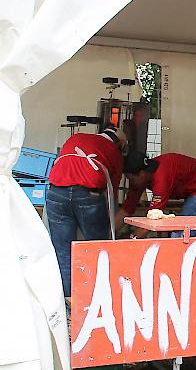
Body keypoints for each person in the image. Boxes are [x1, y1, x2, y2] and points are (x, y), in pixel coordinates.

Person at [47, 126, 127, 298]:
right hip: (88, 194)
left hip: (56, 191)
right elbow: (111, 192)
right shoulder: (113, 151)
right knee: (96, 247)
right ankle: (95, 296)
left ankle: (68, 302)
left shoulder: (75, 138)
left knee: (63, 250)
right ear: (119, 143)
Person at [117, 151, 196, 238]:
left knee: (180, 234)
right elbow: (127, 208)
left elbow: (153, 221)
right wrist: (109, 234)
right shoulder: (142, 175)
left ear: (141, 173)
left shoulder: (161, 177)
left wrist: (132, 238)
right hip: (193, 188)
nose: (130, 181)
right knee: (194, 230)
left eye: (130, 178)